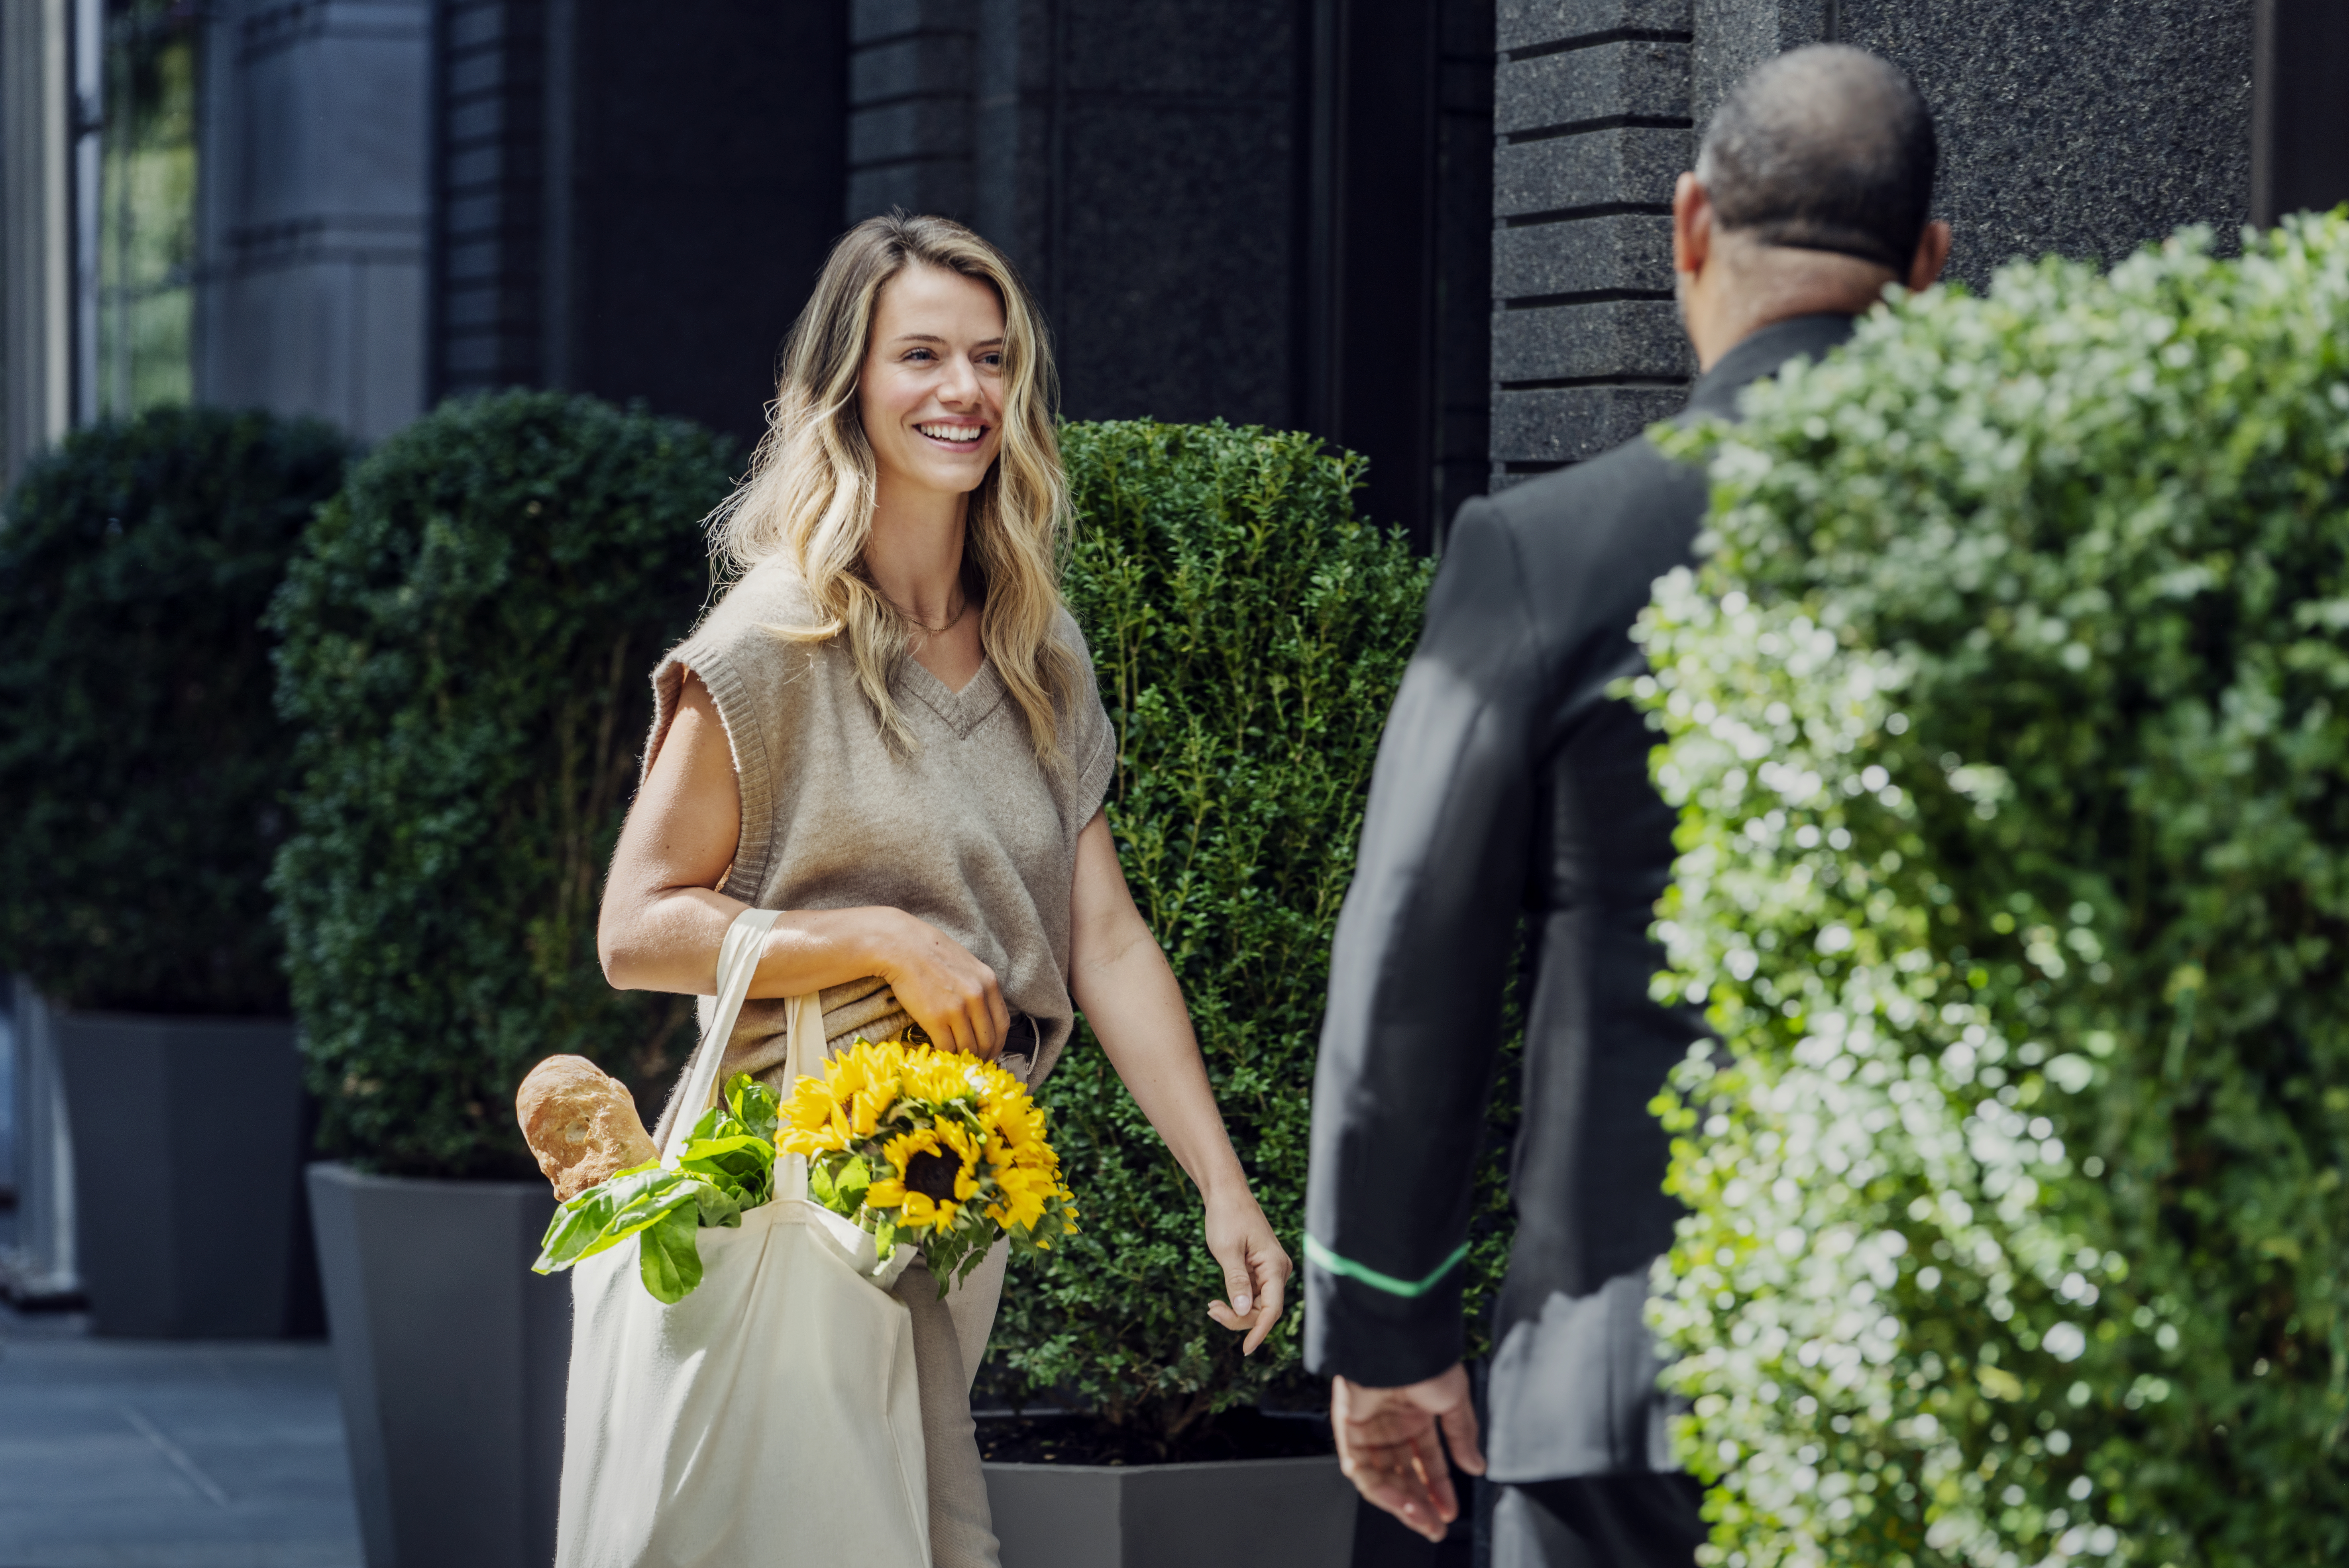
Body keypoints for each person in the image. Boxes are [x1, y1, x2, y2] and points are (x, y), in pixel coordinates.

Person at [1304, 45, 1952, 1568]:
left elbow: (1413, 957)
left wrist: (1388, 1327)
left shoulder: (1551, 547)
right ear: (1927, 265)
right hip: (1957, 1373)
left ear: (1689, 227)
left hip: (1620, 1376)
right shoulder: (2063, 553)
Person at [596, 212, 1292, 1568]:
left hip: (956, 1188)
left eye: (993, 357)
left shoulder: (1037, 649)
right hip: (788, 1186)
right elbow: (638, 927)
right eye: (921, 355)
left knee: (883, 1528)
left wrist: (1223, 1187)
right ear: (847, 385)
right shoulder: (774, 639)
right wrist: (878, 940)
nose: (965, 389)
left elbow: (1105, 939)